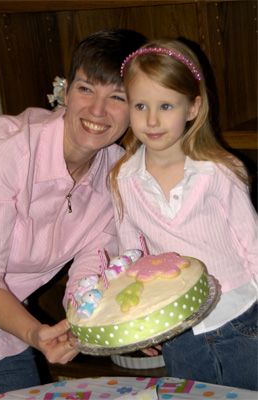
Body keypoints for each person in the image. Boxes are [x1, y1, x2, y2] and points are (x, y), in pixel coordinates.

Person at [0, 28, 146, 395]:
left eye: (118, 97)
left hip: (3, 343)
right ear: (65, 90)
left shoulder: (117, 179)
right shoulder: (9, 151)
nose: (96, 110)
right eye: (86, 88)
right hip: (20, 331)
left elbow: (88, 281)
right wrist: (34, 333)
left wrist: (112, 327)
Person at [108, 38, 258, 390]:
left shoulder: (220, 170)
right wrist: (140, 324)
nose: (152, 119)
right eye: (141, 105)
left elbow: (251, 243)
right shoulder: (122, 179)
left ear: (193, 107)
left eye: (166, 105)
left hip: (242, 318)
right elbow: (132, 261)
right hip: (179, 330)